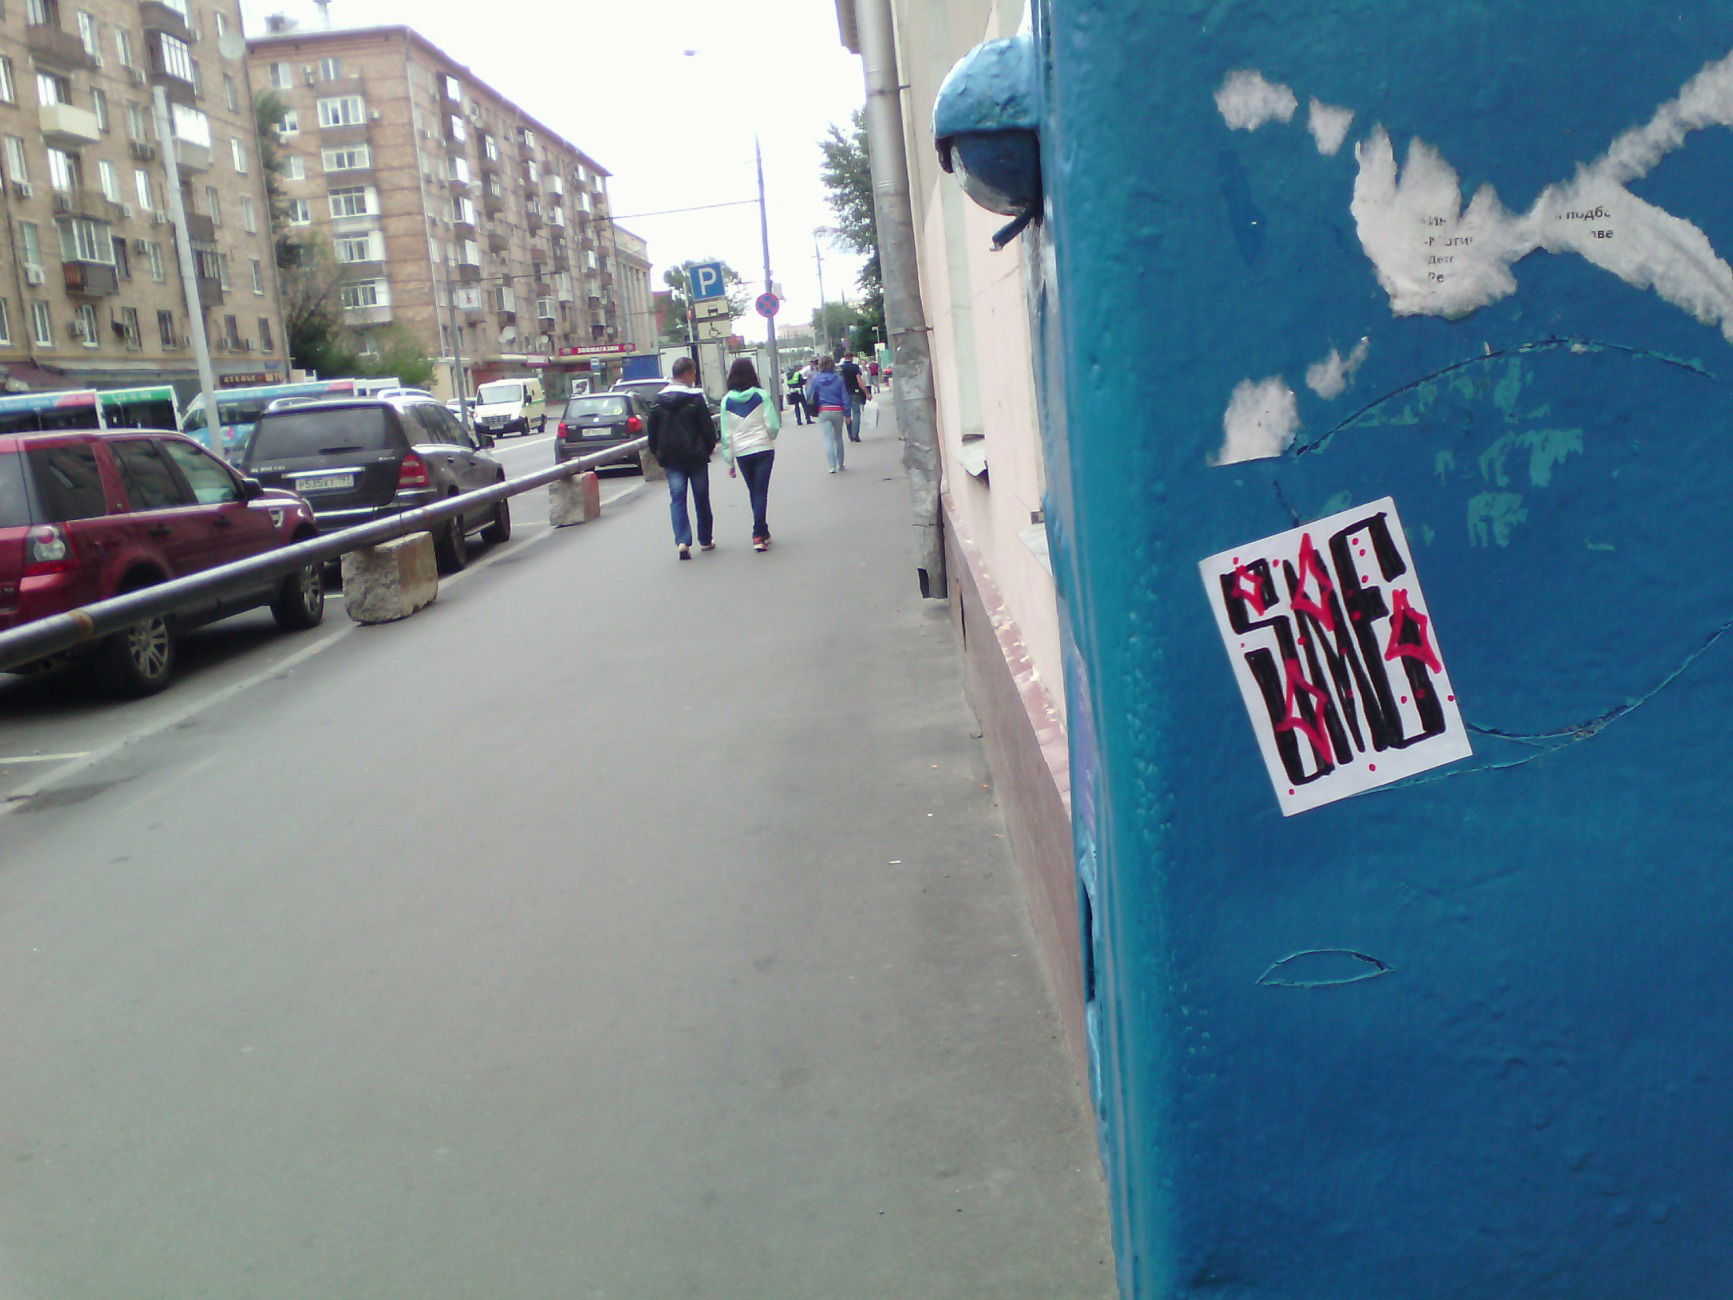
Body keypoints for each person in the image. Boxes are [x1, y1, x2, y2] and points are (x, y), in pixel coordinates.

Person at [646, 356, 718, 559]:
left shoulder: (658, 401)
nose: (694, 377)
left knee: (677, 498)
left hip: (671, 459)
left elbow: (652, 433)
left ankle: (683, 541)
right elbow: (707, 429)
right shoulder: (696, 399)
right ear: (687, 374)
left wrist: (659, 454)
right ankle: (705, 539)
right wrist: (707, 449)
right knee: (701, 498)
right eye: (694, 373)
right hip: (696, 457)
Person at [720, 357, 780, 552]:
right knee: (760, 491)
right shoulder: (761, 395)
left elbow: (726, 435)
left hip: (742, 452)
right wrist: (770, 437)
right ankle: (758, 533)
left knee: (754, 491)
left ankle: (763, 531)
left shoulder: (726, 400)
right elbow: (772, 425)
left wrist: (729, 461)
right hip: (763, 448)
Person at [805, 355, 850, 474]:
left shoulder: (815, 379)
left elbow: (809, 394)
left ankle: (832, 466)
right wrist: (847, 414)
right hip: (838, 410)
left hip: (823, 411)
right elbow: (845, 397)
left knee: (828, 439)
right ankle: (841, 464)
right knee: (838, 438)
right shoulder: (839, 379)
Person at [837, 351, 867, 442]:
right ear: (852, 357)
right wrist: (866, 392)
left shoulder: (840, 368)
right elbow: (859, 381)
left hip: (843, 394)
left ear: (844, 357)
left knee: (847, 415)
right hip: (854, 393)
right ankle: (855, 434)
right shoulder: (855, 367)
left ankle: (850, 434)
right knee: (856, 413)